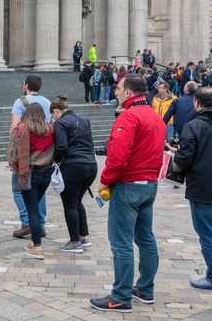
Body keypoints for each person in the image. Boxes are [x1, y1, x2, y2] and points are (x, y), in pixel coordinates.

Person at [90, 75, 166, 313]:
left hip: (129, 185)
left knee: (121, 242)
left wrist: (104, 181)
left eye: (119, 89)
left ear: (130, 93)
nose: (116, 92)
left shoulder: (129, 116)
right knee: (145, 238)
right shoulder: (156, 117)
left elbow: (118, 157)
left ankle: (121, 297)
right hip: (149, 184)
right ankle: (145, 289)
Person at [173, 86, 212, 290]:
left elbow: (185, 156)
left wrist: (175, 158)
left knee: (207, 232)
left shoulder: (194, 125)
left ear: (196, 103)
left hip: (203, 186)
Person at [51, 94, 98, 253]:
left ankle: (75, 242)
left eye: (53, 115)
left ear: (56, 111)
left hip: (73, 165)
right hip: (91, 165)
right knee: (78, 201)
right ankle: (83, 237)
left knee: (70, 204)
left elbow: (62, 147)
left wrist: (56, 160)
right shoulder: (84, 119)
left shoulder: (60, 123)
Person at [7, 103, 54, 258]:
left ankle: (38, 247)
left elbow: (14, 149)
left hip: (29, 173)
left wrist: (13, 163)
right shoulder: (50, 129)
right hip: (46, 172)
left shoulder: (23, 128)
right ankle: (34, 241)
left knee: (32, 209)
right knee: (34, 206)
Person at [9, 75, 51, 238]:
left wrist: (13, 153)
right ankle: (39, 225)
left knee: (19, 188)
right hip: (44, 155)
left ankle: (27, 222)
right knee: (40, 192)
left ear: (26, 85)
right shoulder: (47, 102)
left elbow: (15, 127)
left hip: (26, 155)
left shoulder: (21, 102)